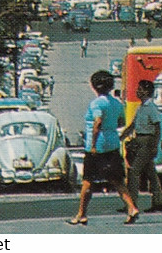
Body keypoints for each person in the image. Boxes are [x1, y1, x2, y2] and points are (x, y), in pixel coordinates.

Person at [67, 70, 138, 226]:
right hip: (113, 144)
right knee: (117, 180)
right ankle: (132, 208)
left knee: (88, 181)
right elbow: (121, 123)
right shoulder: (117, 103)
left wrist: (92, 144)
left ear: (94, 86)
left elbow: (97, 122)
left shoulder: (96, 103)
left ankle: (81, 214)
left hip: (98, 146)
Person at [122, 79, 162, 215]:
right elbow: (132, 125)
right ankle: (158, 202)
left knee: (134, 172)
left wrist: (154, 146)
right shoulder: (140, 107)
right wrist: (122, 136)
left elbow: (157, 128)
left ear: (147, 91)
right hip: (138, 140)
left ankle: (131, 203)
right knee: (151, 174)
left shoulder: (151, 108)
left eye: (140, 89)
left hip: (147, 142)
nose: (137, 91)